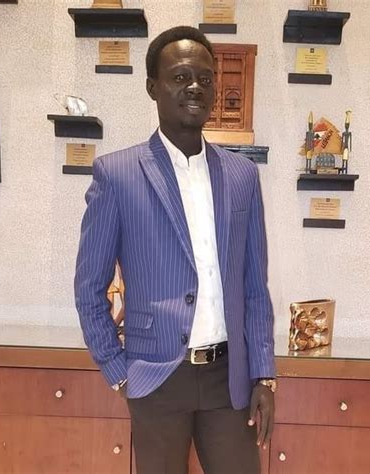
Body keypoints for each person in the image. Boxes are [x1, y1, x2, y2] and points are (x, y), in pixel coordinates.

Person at [75, 26, 276, 474]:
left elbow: (254, 286)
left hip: (229, 378)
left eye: (205, 78)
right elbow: (89, 288)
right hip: (157, 377)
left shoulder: (242, 175)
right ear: (153, 87)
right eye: (181, 77)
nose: (195, 87)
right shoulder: (117, 174)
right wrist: (117, 371)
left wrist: (264, 374)